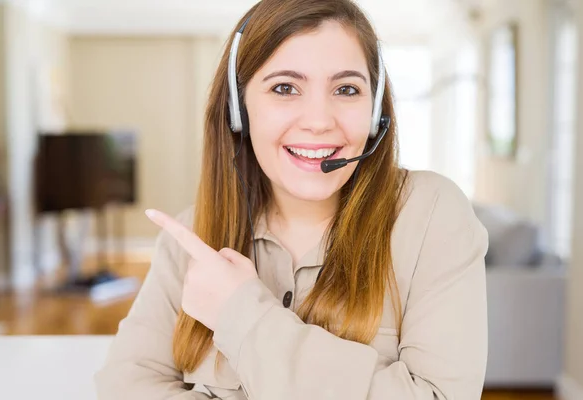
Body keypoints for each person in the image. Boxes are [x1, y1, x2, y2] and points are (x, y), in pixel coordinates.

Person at [95, 0, 489, 399]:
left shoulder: (432, 215)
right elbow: (124, 387)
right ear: (238, 109)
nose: (319, 120)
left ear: (374, 114)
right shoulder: (192, 237)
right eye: (285, 88)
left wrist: (241, 315)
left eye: (347, 89)